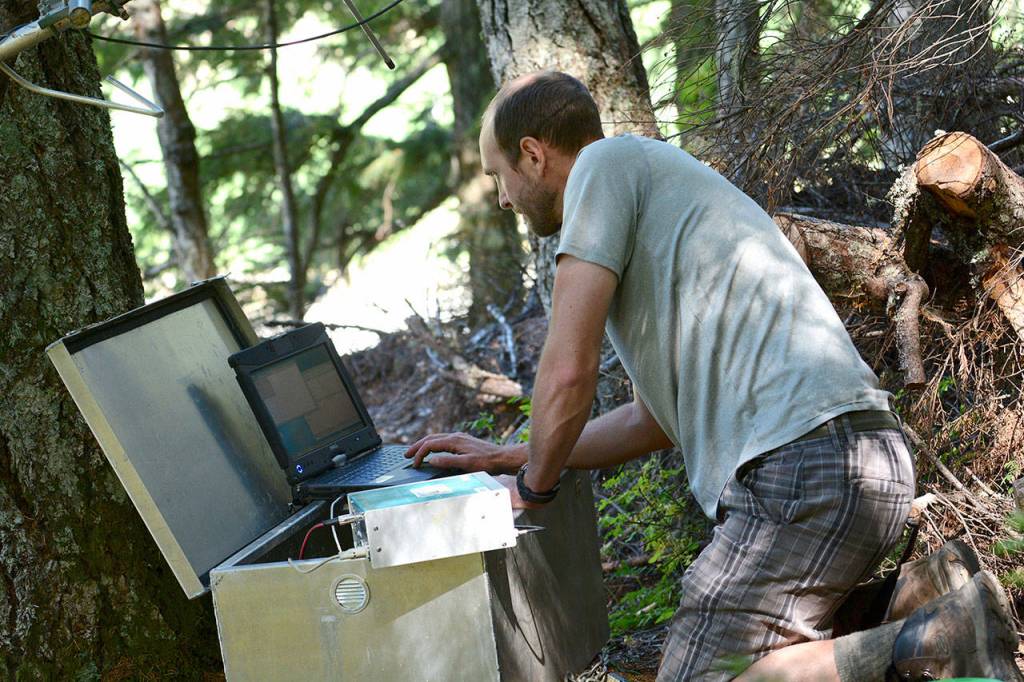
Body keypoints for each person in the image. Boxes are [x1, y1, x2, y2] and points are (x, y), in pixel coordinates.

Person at [404, 71, 1023, 681]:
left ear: (533, 156)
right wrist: (512, 455)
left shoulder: (601, 168)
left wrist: (533, 490)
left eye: (498, 177)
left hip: (803, 468)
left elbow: (568, 372)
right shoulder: (645, 189)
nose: (504, 198)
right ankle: (915, 605)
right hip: (857, 457)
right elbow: (652, 421)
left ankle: (941, 637)